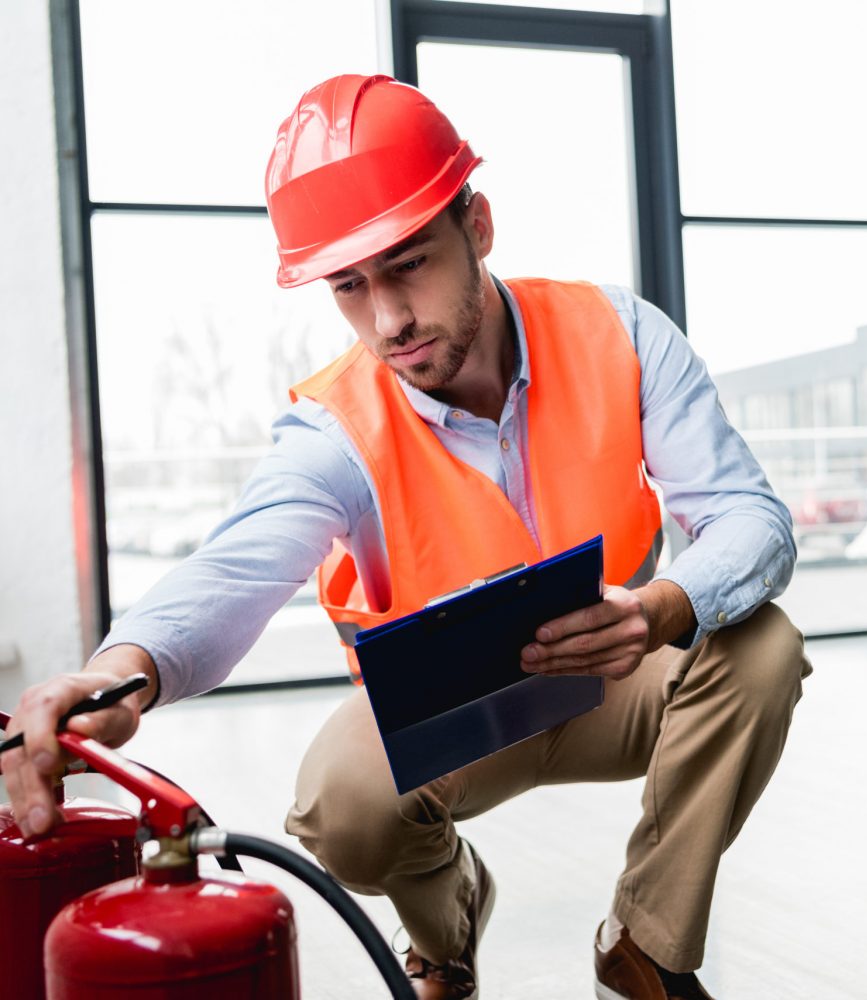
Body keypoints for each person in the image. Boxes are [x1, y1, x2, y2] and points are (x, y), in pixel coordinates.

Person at [2, 74, 811, 999]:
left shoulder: (621, 334)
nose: (388, 320)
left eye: (409, 264)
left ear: (479, 227)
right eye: (350, 285)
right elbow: (234, 569)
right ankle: (447, 929)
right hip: (452, 719)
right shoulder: (336, 428)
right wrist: (120, 672)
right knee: (339, 803)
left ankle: (645, 948)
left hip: (617, 671)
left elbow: (751, 518)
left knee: (764, 646)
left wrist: (659, 607)